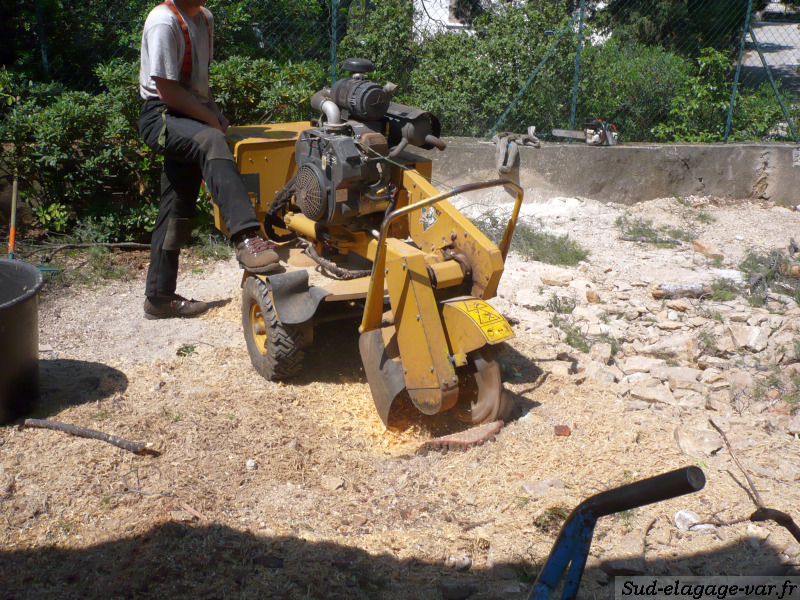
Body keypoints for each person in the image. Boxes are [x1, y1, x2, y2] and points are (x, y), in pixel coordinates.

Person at [138, 0, 279, 319]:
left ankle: (159, 298)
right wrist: (209, 122)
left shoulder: (205, 19)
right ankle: (246, 238)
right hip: (160, 115)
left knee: (178, 204)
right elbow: (167, 91)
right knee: (211, 140)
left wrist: (213, 111)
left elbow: (198, 83)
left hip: (188, 113)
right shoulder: (163, 21)